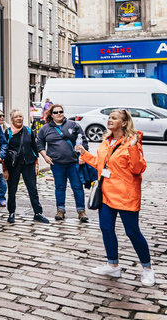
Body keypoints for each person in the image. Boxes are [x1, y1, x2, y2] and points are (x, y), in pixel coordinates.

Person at [78, 109, 154, 287]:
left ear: (124, 123)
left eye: (114, 118)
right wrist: (84, 154)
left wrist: (134, 147)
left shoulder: (132, 142)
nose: (109, 120)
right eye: (109, 118)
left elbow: (137, 169)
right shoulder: (106, 141)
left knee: (132, 232)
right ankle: (113, 265)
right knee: (106, 228)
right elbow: (101, 164)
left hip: (125, 195)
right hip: (106, 194)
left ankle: (148, 269)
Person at [37, 103, 89, 222]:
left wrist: (82, 156)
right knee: (60, 187)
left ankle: (81, 211)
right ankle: (60, 210)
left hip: (74, 162)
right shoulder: (45, 128)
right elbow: (39, 143)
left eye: (60, 111)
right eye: (55, 112)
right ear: (51, 115)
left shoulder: (73, 125)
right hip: (57, 164)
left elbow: (84, 141)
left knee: (77, 187)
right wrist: (45, 156)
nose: (59, 114)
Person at [4, 110, 49, 224]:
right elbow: (4, 151)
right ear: (12, 120)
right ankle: (11, 212)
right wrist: (4, 169)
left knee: (32, 189)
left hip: (28, 163)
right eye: (16, 117)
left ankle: (38, 213)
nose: (19, 118)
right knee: (12, 189)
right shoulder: (8, 132)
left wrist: (36, 165)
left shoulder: (28, 131)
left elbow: (34, 149)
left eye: (21, 116)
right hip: (14, 165)